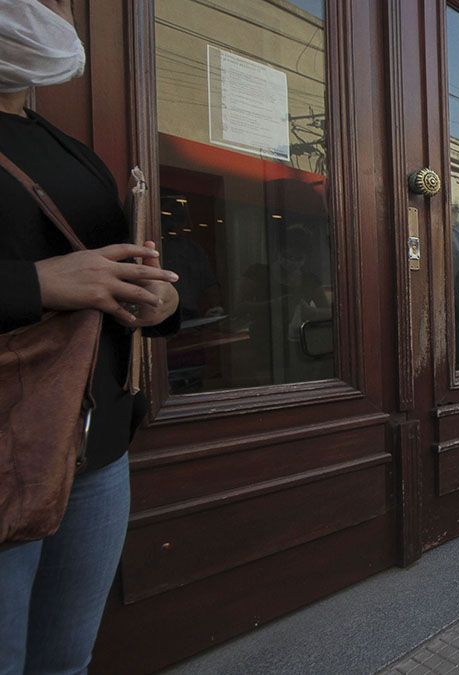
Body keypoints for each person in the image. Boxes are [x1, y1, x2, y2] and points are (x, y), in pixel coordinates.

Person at [0, 1, 181, 672]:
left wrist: (158, 299)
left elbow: (113, 268)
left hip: (93, 445)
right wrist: (39, 284)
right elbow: (60, 277)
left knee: (66, 659)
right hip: (8, 443)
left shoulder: (61, 144)